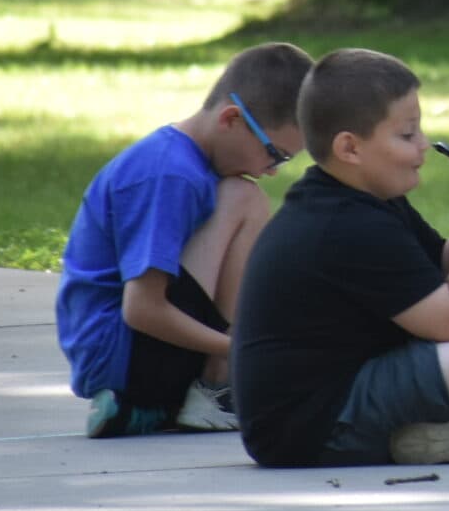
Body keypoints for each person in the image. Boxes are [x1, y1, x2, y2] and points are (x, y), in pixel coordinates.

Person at [231, 48, 449, 468]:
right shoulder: (345, 224)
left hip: (328, 402)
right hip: (311, 427)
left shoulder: (363, 200)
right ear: (350, 148)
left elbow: (442, 271)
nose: (424, 146)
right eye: (407, 134)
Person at [56, 42, 312, 439]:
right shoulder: (171, 174)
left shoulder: (183, 162)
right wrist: (243, 350)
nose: (272, 170)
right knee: (243, 198)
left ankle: (151, 408)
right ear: (231, 119)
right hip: (123, 356)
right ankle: (216, 386)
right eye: (274, 154)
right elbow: (142, 308)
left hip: (133, 355)